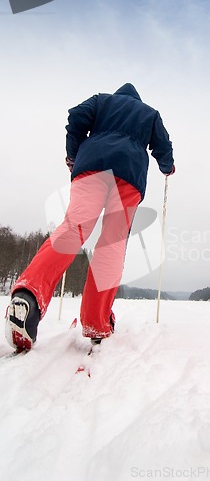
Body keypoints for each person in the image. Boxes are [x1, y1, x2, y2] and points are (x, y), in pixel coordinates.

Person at [5, 83, 175, 351]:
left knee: (73, 228)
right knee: (112, 245)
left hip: (91, 168)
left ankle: (30, 294)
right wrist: (168, 166)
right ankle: (97, 321)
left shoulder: (100, 101)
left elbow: (75, 117)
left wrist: (74, 155)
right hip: (129, 176)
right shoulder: (149, 114)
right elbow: (163, 147)